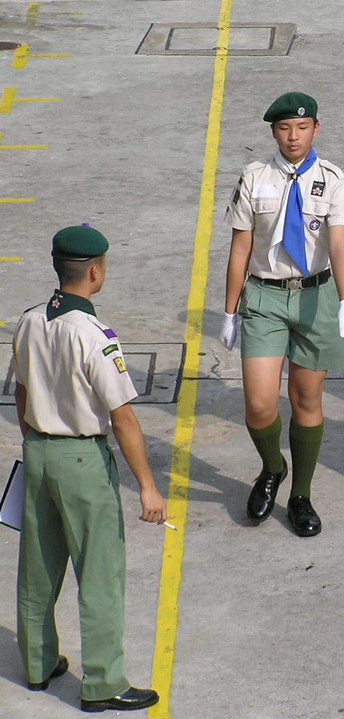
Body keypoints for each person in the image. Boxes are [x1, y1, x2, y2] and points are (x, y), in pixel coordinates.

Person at [12, 225, 167, 712]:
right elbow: (123, 419)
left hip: (38, 451)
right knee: (99, 574)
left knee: (38, 567)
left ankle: (37, 664)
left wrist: (36, 440)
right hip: (82, 461)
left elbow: (20, 391)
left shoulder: (28, 321)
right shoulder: (94, 336)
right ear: (96, 272)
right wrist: (148, 487)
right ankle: (102, 684)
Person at [220, 92, 344, 537]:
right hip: (265, 297)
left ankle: (301, 494)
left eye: (302, 127)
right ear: (273, 132)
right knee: (259, 403)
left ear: (316, 128)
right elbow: (240, 248)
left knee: (306, 399)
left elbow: (339, 244)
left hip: (316, 296)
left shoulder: (332, 179)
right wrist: (229, 311)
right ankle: (272, 466)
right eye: (284, 128)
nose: (293, 136)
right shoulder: (254, 176)